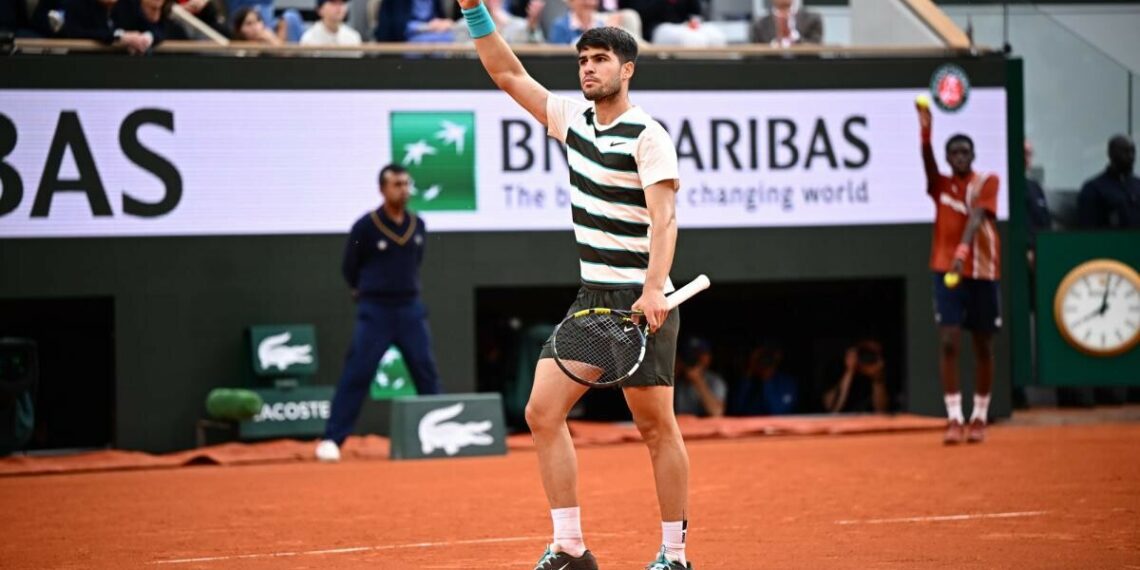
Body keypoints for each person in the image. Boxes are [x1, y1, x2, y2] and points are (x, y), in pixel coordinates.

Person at [458, 3, 690, 567]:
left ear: (626, 68)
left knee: (656, 429)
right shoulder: (571, 118)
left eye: (601, 60)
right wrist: (473, 10)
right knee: (541, 412)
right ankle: (569, 546)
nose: (588, 69)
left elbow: (665, 219)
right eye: (583, 60)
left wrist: (655, 287)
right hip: (590, 304)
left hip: (640, 304)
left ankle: (675, 555)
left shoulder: (649, 135)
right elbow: (507, 73)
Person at [314, 164, 443, 463]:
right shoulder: (365, 227)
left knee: (426, 371)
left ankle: (438, 430)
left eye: (406, 184)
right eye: (396, 184)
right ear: (382, 189)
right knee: (357, 373)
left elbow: (416, 262)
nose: (403, 189)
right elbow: (350, 266)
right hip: (376, 311)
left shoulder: (418, 225)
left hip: (410, 309)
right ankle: (332, 440)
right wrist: (366, 290)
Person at [917, 99, 1001, 445]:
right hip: (945, 271)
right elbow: (927, 162)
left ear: (973, 154)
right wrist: (926, 132)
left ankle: (980, 415)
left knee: (982, 344)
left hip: (981, 272)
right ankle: (954, 418)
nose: (960, 156)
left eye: (966, 151)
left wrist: (963, 252)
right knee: (949, 342)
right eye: (954, 152)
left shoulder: (987, 182)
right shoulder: (940, 186)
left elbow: (977, 218)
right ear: (948, 158)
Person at [1078, 135, 1140, 229]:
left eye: (1133, 152)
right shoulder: (1093, 188)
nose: (1131, 157)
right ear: (1111, 154)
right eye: (1125, 152)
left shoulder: (1137, 185)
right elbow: (1088, 231)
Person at [60, 0, 165, 54]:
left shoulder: (129, 4)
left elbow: (156, 30)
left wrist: (146, 38)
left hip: (123, 70)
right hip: (83, 67)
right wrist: (119, 36)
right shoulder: (77, 4)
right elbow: (75, 32)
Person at [822, 340, 889, 414]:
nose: (868, 357)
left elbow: (881, 412)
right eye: (865, 353)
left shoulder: (882, 371)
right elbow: (831, 408)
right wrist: (849, 372)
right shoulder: (837, 369)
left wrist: (877, 380)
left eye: (873, 354)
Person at [729, 343, 797, 416]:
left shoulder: (787, 382)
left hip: (775, 426)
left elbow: (778, 411)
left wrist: (767, 380)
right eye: (761, 356)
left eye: (769, 355)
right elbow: (735, 409)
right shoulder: (747, 379)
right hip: (747, 425)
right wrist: (749, 373)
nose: (765, 360)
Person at [618, 0, 724, 47]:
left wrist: (693, 21)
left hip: (683, 25)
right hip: (655, 29)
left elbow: (695, 10)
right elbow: (637, 12)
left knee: (716, 36)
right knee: (691, 39)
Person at [673, 338, 726, 418]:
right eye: (691, 354)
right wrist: (673, 375)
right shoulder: (677, 380)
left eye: (699, 354)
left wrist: (697, 380)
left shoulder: (715, 381)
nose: (695, 359)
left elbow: (717, 412)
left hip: (704, 429)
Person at [453, 0, 544, 44]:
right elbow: (459, 55)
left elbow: (539, 48)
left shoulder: (520, 25)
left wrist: (532, 26)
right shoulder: (464, 25)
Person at [375, 0, 454, 42]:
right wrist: (428, 27)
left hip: (437, 37)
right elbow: (397, 27)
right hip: (404, 40)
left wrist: (445, 23)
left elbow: (440, 18)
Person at [751, 0, 821, 47]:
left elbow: (816, 47)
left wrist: (794, 38)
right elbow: (754, 54)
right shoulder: (760, 24)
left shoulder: (812, 19)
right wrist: (775, 44)